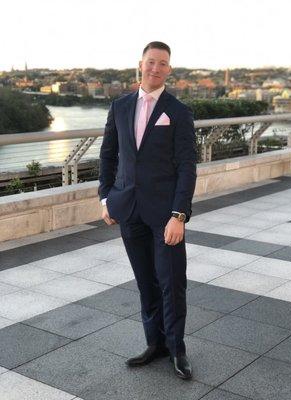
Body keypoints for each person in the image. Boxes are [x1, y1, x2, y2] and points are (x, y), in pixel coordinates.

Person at [99, 41, 197, 379]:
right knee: (145, 282)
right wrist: (106, 199)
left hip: (165, 216)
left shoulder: (178, 111)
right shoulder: (120, 106)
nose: (156, 68)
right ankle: (154, 344)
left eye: (163, 63)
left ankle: (176, 349)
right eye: (151, 61)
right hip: (129, 211)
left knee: (171, 283)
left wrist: (179, 215)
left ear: (169, 69)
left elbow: (187, 166)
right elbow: (108, 156)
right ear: (140, 64)